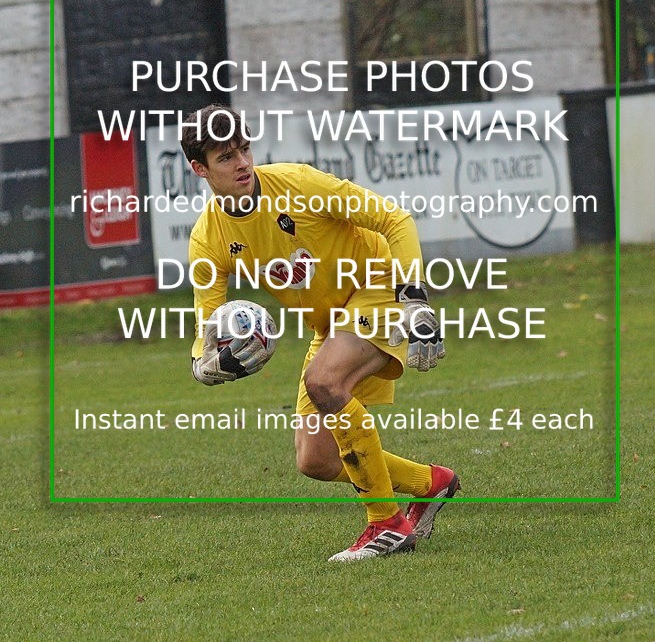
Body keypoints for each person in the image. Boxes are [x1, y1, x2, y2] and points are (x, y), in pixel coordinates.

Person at [181, 105, 460, 562]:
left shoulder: (297, 183)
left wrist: (414, 298)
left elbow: (395, 219)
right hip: (331, 323)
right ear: (200, 169)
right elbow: (207, 322)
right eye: (226, 157)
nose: (243, 163)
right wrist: (204, 363)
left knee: (324, 382)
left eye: (245, 149)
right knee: (317, 460)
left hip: (378, 287)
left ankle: (386, 524)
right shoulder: (208, 236)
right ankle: (430, 484)